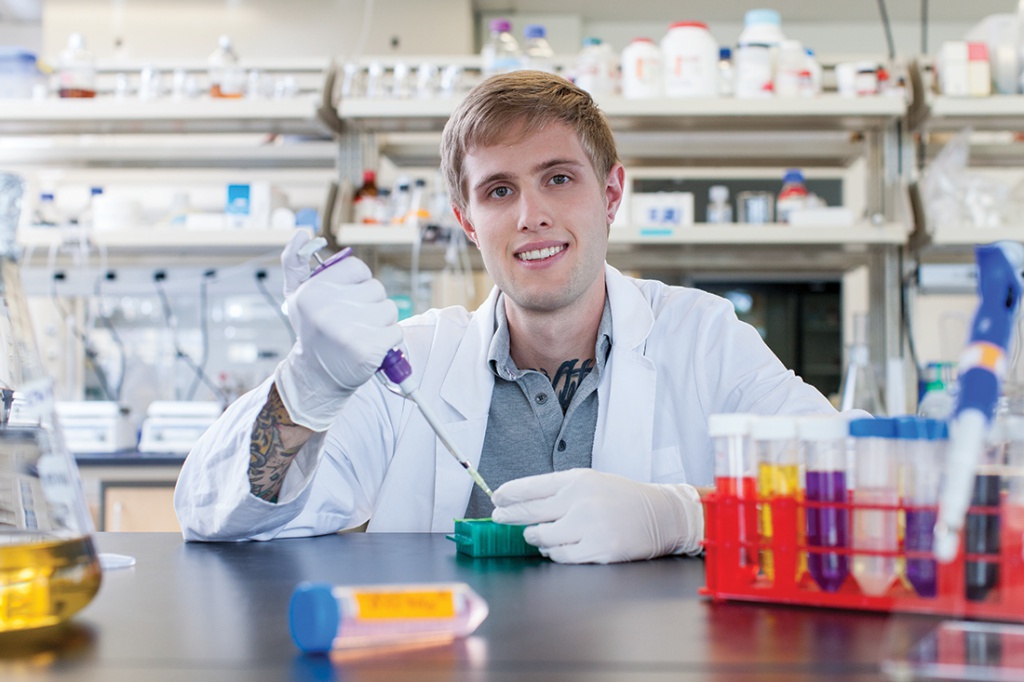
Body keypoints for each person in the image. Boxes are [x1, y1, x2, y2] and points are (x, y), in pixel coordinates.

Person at [174, 71, 837, 563]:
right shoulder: (413, 364)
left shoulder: (700, 336)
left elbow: (847, 485)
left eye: (558, 178)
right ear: (467, 220)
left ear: (610, 194)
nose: (530, 216)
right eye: (499, 190)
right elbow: (217, 515)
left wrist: (683, 517)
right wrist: (307, 389)